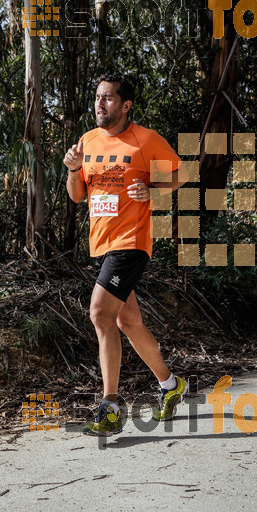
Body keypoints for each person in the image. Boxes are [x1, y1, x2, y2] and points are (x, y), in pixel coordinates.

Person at [63, 73, 187, 436]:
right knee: (127, 322)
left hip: (132, 243)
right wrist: (72, 169)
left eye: (108, 99)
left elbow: (180, 173)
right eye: (97, 98)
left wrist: (152, 188)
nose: (100, 105)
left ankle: (110, 408)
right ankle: (170, 385)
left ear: (125, 105)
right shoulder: (87, 141)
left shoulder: (145, 140)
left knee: (100, 313)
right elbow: (76, 195)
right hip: (102, 245)